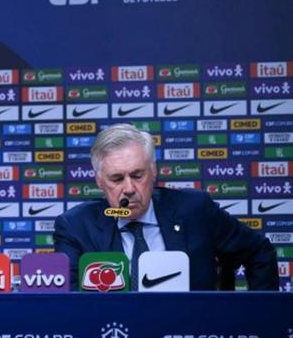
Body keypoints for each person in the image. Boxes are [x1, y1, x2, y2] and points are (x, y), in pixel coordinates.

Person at [53, 123, 278, 291]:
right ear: (100, 181)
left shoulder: (195, 210)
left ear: (153, 171)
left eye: (137, 175)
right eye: (117, 179)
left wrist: (258, 320)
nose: (129, 188)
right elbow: (68, 301)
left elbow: (260, 252)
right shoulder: (75, 226)